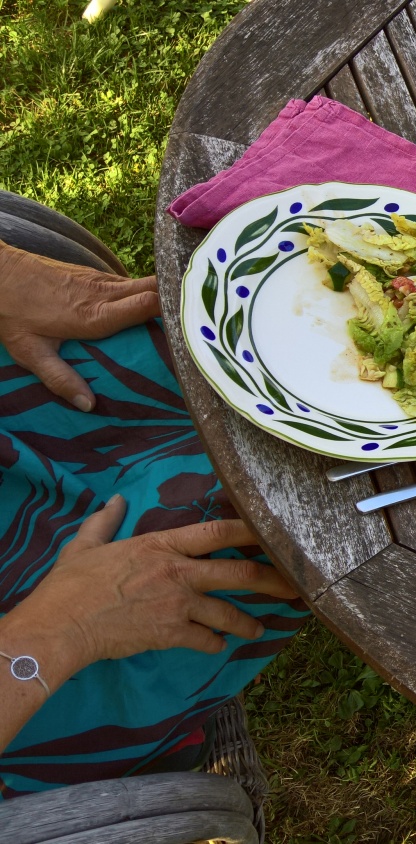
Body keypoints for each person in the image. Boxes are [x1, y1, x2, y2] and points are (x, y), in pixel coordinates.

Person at [0, 239, 309, 797]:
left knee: (232, 340)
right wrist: (64, 626)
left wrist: (4, 271)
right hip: (28, 665)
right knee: (265, 515)